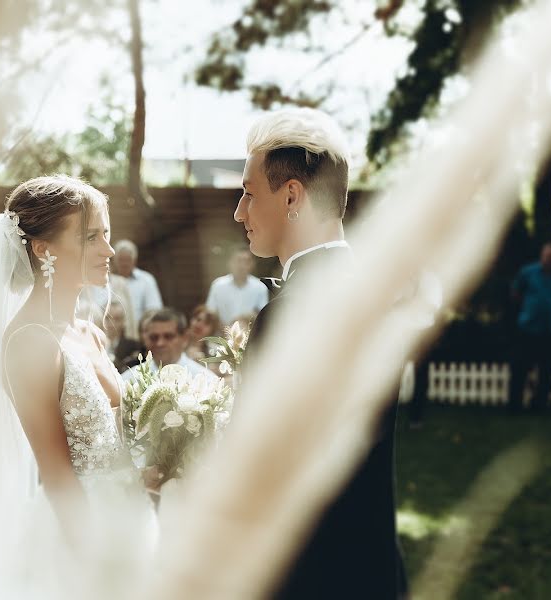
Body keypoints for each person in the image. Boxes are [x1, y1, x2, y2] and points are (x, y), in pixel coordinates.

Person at [0, 176, 155, 599]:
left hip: (132, 518)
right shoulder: (29, 341)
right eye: (90, 237)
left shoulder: (90, 334)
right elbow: (58, 474)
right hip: (79, 539)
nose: (108, 250)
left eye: (106, 234)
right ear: (44, 249)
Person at [236, 107, 402, 598]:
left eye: (248, 193)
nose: (238, 212)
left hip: (308, 575)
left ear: (291, 195)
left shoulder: (292, 314)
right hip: (369, 567)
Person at [508, 241, 551, 412]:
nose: (550, 260)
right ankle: (515, 404)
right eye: (547, 256)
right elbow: (516, 293)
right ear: (542, 255)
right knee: (520, 368)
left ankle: (539, 404)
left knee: (546, 370)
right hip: (528, 327)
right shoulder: (528, 272)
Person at [122, 308, 217, 383]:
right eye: (154, 337)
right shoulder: (130, 379)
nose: (160, 343)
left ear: (184, 338)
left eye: (168, 336)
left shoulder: (205, 380)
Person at [205, 246, 269, 325]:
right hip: (220, 334)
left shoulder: (260, 287)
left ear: (252, 264)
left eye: (246, 261)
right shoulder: (218, 284)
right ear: (229, 262)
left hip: (249, 334)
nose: (242, 266)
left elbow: (263, 315)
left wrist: (245, 318)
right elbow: (211, 312)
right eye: (238, 260)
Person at [112, 239, 163, 320]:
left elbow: (154, 309)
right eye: (121, 260)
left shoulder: (147, 280)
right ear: (114, 260)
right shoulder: (107, 280)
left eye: (128, 259)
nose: (124, 264)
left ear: (135, 260)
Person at [102, 301, 143, 372]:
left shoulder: (134, 346)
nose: (112, 323)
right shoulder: (94, 344)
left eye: (116, 319)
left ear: (123, 321)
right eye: (107, 318)